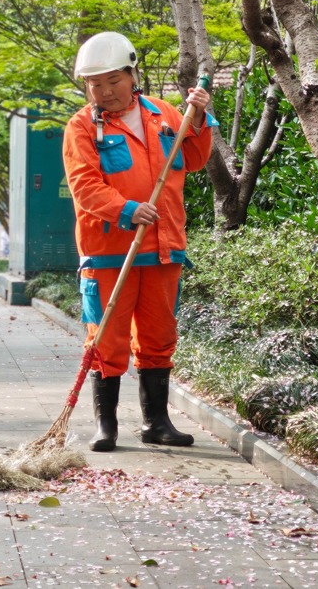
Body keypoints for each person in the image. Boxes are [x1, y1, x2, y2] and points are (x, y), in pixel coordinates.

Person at [62, 31, 215, 452]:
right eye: (94, 84)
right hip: (110, 251)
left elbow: (197, 160)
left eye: (113, 80)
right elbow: (84, 186)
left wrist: (198, 120)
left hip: (165, 245)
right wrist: (127, 210)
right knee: (107, 337)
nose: (104, 91)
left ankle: (156, 422)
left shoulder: (164, 114)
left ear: (133, 75)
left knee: (159, 333)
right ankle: (106, 425)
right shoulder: (81, 128)